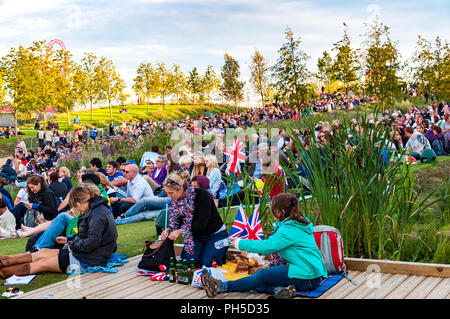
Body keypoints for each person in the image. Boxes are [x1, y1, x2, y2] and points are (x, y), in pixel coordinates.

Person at [201, 193, 327, 299]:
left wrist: (240, 242)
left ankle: (220, 287)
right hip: (312, 274)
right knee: (258, 279)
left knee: (261, 276)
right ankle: (283, 290)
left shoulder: (289, 230)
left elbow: (267, 247)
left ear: (282, 212)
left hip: (307, 277)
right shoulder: (299, 222)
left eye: (274, 209)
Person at [0, 184, 118, 279]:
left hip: (89, 259)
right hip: (87, 254)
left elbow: (92, 242)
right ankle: (4, 260)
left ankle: (4, 272)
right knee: (43, 252)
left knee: (42, 263)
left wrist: (73, 244)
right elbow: (89, 236)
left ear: (78, 203)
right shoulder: (96, 211)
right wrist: (69, 239)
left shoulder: (97, 215)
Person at [160, 171, 228, 268]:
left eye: (171, 193)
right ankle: (206, 253)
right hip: (196, 236)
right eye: (167, 193)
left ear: (181, 189)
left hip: (215, 234)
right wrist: (169, 231)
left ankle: (217, 255)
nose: (169, 196)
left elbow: (201, 223)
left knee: (207, 264)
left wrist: (180, 231)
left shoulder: (203, 195)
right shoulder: (177, 202)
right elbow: (178, 222)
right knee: (187, 264)